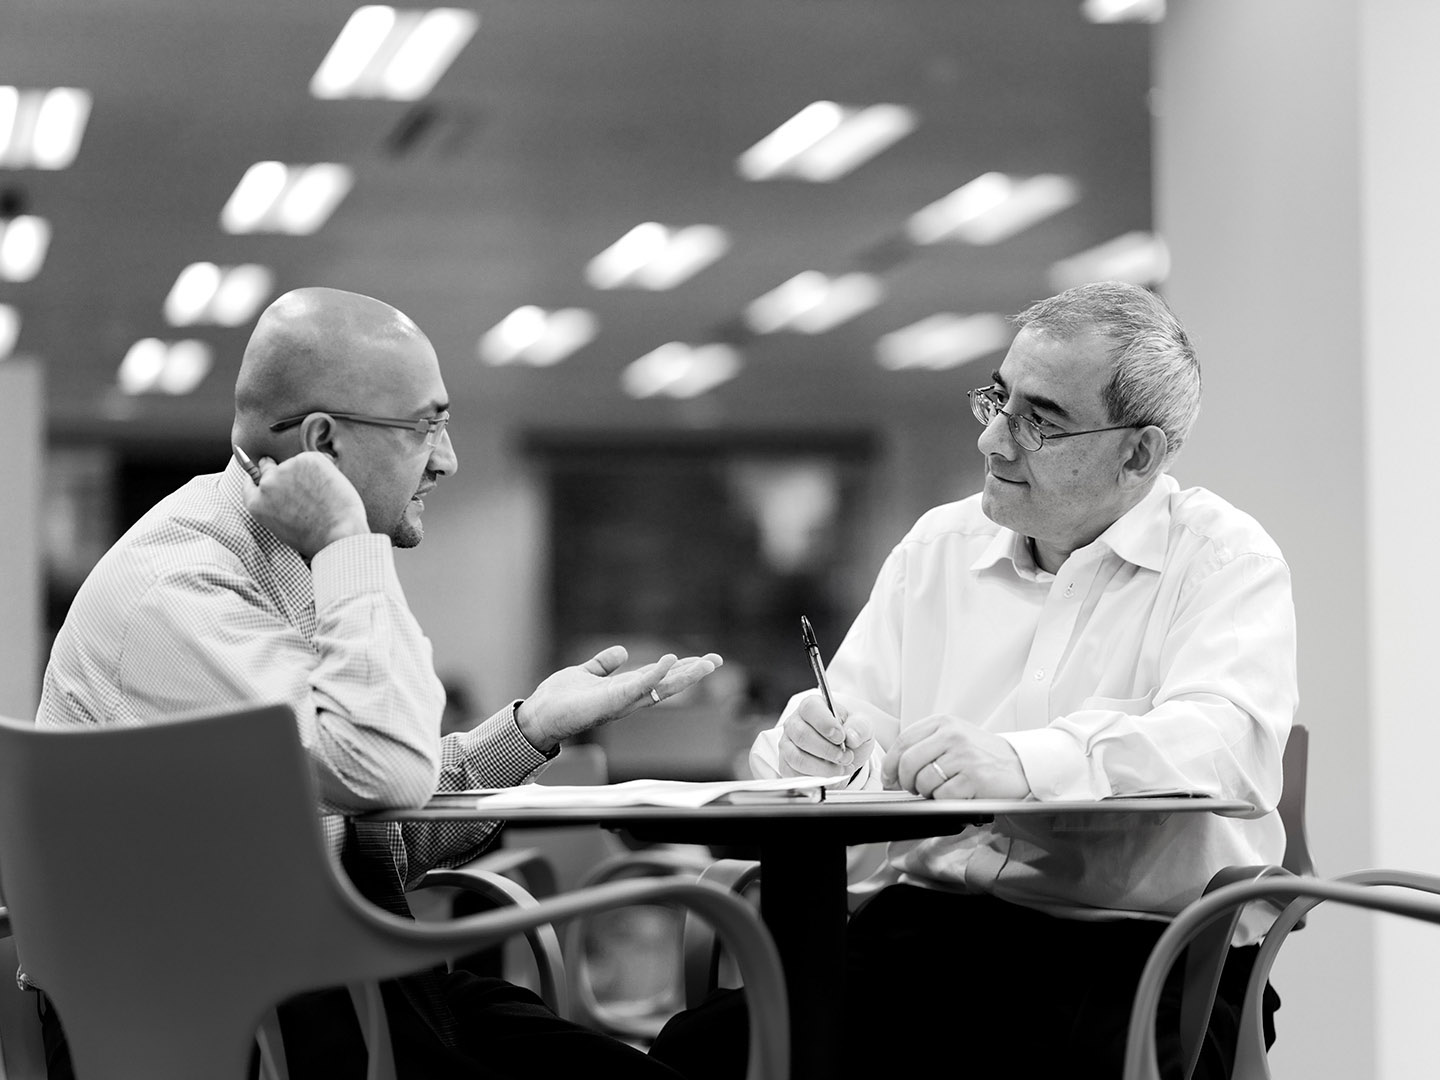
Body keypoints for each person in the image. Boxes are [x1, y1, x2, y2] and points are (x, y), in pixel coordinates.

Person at [33, 287, 721, 1080]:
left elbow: (372, 827)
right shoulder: (184, 589)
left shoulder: (289, 560)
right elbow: (381, 771)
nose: (448, 457)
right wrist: (348, 539)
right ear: (323, 442)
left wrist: (530, 728)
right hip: (208, 1024)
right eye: (426, 424)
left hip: (321, 982)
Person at [650, 281, 1297, 1080]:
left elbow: (1226, 746)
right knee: (699, 1054)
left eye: (1039, 420)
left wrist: (1026, 764)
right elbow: (851, 734)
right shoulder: (939, 549)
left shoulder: (1223, 559)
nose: (994, 441)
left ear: (1139, 454)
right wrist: (817, 757)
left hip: (1139, 949)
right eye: (998, 398)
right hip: (934, 929)